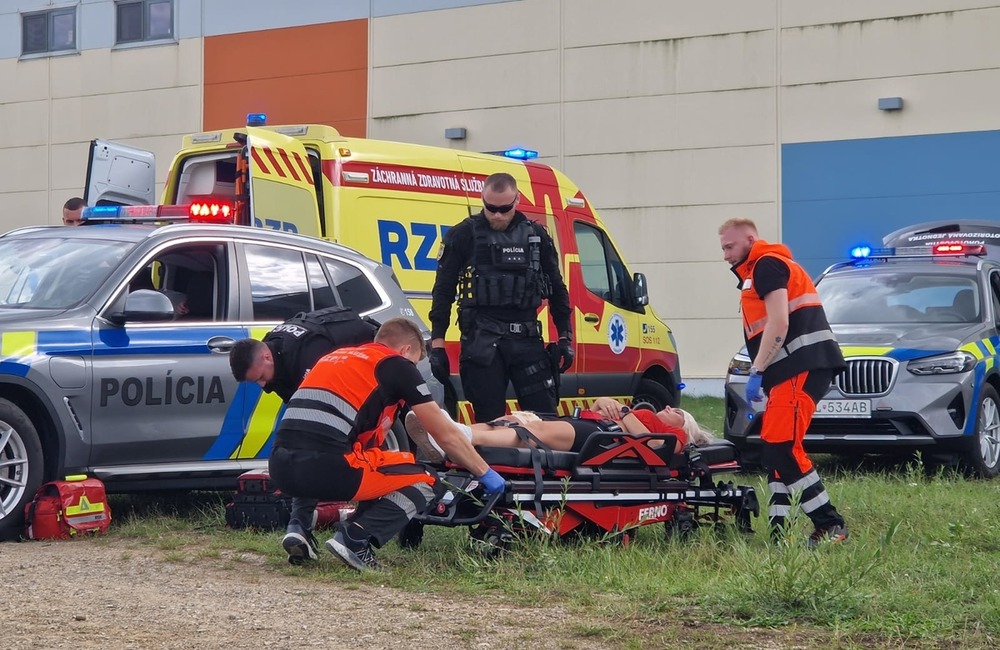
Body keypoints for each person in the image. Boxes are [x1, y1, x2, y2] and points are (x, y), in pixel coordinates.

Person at [268, 317, 504, 571]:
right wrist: (485, 473)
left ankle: (298, 528)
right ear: (405, 351)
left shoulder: (336, 357)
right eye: (413, 362)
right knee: (426, 480)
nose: (411, 367)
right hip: (329, 469)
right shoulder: (395, 365)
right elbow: (445, 433)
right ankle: (355, 538)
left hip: (281, 469)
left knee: (366, 459)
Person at [718, 217, 849, 548]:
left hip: (797, 367)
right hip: (790, 370)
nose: (725, 255)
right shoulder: (761, 269)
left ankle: (830, 524)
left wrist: (756, 369)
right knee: (774, 448)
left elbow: (778, 322)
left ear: (750, 239)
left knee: (782, 447)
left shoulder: (767, 265)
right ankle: (779, 532)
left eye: (729, 246)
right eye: (722, 248)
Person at [428, 172, 573, 423]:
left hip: (527, 339)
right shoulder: (463, 235)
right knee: (489, 422)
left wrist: (564, 336)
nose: (497, 215)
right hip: (483, 340)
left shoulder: (536, 237)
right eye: (490, 208)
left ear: (517, 201)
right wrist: (438, 344)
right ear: (482, 199)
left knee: (544, 420)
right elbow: (443, 290)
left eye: (504, 209)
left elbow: (558, 289)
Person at [406, 396, 715, 462]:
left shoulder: (674, 437)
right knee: (517, 419)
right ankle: (447, 430)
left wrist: (622, 410)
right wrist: (602, 402)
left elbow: (645, 444)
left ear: (684, 427)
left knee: (532, 435)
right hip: (592, 426)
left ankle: (455, 437)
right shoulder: (644, 415)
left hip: (603, 440)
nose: (671, 408)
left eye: (678, 412)